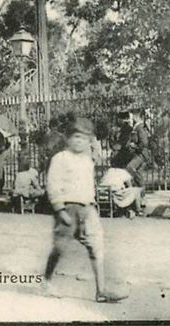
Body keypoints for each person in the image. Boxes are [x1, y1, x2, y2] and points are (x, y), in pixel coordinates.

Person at [43, 117, 128, 303]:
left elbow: (89, 184)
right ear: (67, 138)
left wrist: (91, 206)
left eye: (84, 137)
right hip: (67, 209)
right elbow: (53, 184)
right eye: (75, 136)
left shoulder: (87, 160)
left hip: (87, 209)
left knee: (96, 245)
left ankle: (101, 290)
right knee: (60, 247)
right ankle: (47, 281)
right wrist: (60, 209)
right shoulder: (60, 158)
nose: (79, 141)